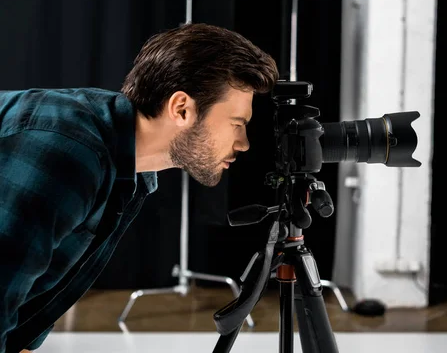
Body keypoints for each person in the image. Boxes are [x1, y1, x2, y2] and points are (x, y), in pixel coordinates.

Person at [0, 23, 279, 353]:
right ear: (182, 109)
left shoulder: (128, 171)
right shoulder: (70, 151)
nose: (245, 144)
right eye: (237, 124)